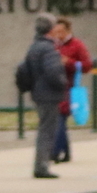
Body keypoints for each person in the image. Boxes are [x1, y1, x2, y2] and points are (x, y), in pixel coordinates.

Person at [13, 14, 70, 179]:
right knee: (47, 131)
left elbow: (25, 70)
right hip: (50, 95)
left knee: (44, 129)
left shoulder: (34, 47)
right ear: (51, 30)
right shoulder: (49, 49)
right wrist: (62, 83)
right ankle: (42, 166)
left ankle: (41, 165)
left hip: (38, 93)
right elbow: (53, 72)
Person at [51, 14, 92, 163]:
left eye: (61, 32)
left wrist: (69, 62)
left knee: (60, 118)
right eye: (56, 32)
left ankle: (56, 151)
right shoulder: (54, 45)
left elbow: (87, 66)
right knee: (58, 118)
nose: (58, 35)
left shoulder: (77, 45)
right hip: (55, 86)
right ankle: (66, 152)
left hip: (69, 88)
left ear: (68, 30)